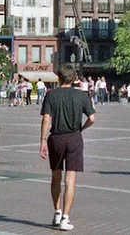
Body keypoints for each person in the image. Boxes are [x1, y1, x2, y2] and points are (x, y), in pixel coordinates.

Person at [40, 65, 96, 232]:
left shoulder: (51, 95)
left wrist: (42, 141)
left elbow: (45, 120)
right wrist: (81, 128)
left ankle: (57, 212)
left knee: (55, 176)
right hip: (74, 138)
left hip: (56, 138)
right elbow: (92, 118)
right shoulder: (82, 95)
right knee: (70, 180)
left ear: (59, 78)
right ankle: (65, 218)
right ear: (73, 79)